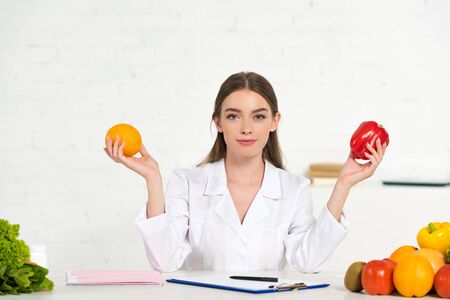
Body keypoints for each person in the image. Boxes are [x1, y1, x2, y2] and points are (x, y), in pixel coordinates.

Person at [104, 72, 386, 273]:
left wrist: (344, 184)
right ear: (218, 122)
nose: (246, 128)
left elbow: (308, 261)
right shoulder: (187, 182)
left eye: (259, 116)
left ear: (275, 122)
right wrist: (153, 178)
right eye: (233, 116)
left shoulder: (294, 189)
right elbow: (165, 262)